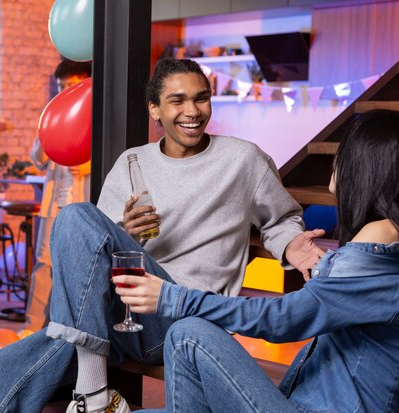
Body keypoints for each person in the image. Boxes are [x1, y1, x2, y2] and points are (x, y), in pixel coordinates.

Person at [0, 59, 324, 413]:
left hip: (186, 317)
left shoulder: (244, 160)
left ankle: (92, 392)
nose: (192, 111)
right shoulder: (132, 162)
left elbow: (281, 218)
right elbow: (89, 255)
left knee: (74, 233)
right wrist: (126, 233)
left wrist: (292, 245)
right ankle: (94, 392)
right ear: (155, 110)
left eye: (200, 98)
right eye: (177, 101)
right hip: (116, 318)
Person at [125, 109, 399, 413]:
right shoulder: (383, 246)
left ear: (367, 165)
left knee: (187, 333)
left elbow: (283, 320)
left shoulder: (378, 237)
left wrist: (171, 297)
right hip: (298, 402)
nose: (336, 160)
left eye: (344, 151)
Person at [24, 59, 92, 331]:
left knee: (78, 269)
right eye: (62, 86)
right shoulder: (53, 114)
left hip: (84, 205)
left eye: (71, 86)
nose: (65, 91)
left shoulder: (93, 118)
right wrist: (46, 131)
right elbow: (37, 159)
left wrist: (87, 165)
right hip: (54, 205)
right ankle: (31, 328)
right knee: (43, 266)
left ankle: (68, 328)